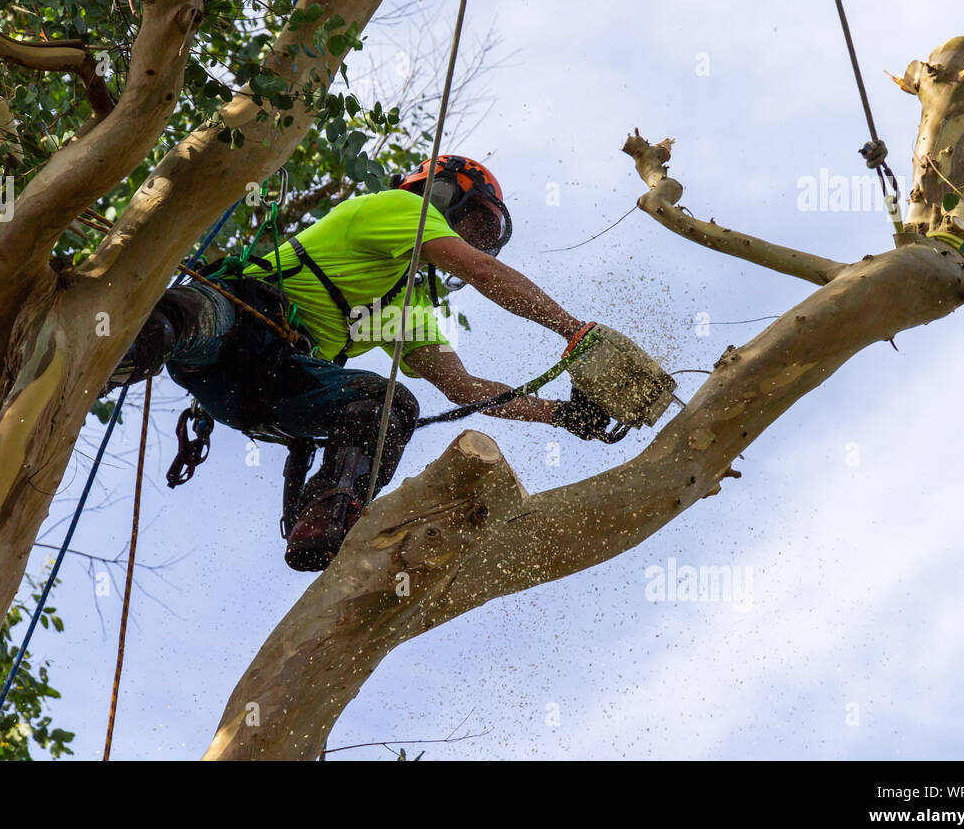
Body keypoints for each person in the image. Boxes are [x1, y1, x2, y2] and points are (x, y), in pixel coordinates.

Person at [107, 155, 612, 571]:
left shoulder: (405, 307)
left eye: (485, 232)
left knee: (388, 404)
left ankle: (327, 515)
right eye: (473, 223)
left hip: (264, 388)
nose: (473, 240)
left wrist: (561, 414)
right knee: (176, 319)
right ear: (440, 194)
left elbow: (462, 387)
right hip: (237, 318)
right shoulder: (397, 207)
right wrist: (573, 331)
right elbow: (481, 270)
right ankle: (101, 357)